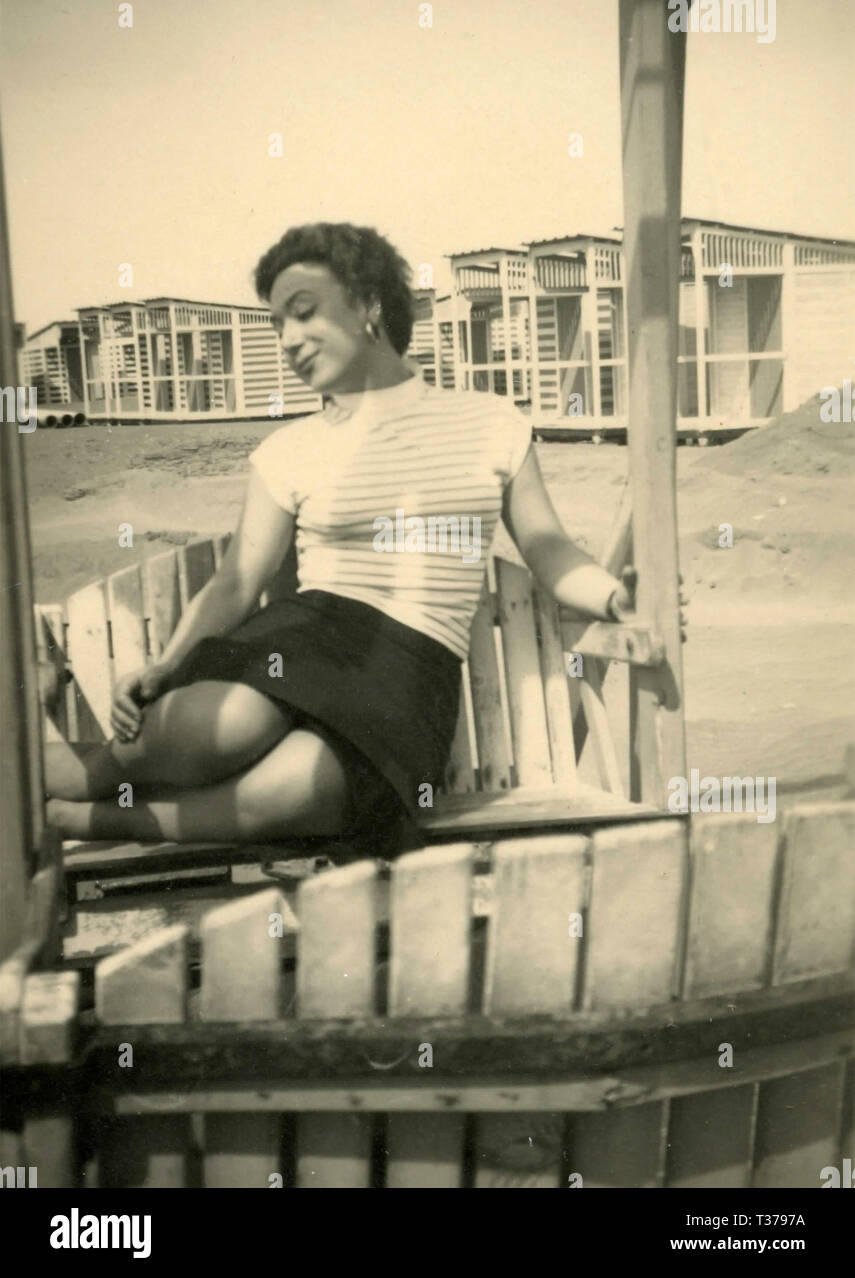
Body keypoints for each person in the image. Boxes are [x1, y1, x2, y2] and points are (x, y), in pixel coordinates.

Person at [45, 223, 636, 858]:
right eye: (277, 325)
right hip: (312, 633)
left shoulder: (491, 423)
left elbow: (547, 547)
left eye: (304, 314)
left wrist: (614, 599)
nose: (290, 340)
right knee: (218, 726)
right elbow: (240, 579)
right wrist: (168, 663)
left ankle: (95, 821)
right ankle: (82, 776)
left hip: (412, 665)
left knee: (303, 791)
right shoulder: (291, 448)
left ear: (368, 304)